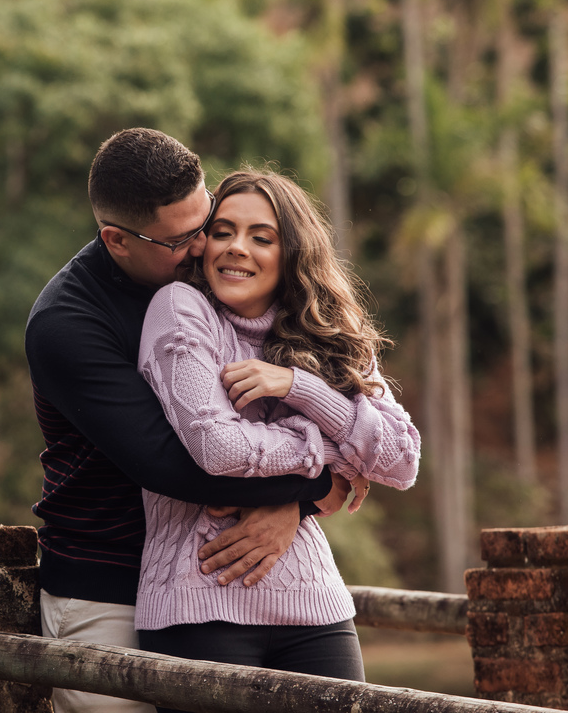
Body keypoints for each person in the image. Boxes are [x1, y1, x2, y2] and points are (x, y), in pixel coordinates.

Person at [26, 130, 339, 713]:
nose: (204, 248)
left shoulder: (208, 284)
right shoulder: (68, 325)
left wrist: (304, 492)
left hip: (220, 577)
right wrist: (317, 486)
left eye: (207, 222)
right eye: (181, 239)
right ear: (115, 239)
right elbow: (174, 464)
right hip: (109, 588)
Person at [134, 169, 420, 707]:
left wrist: (303, 390)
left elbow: (402, 460)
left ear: (292, 253)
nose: (236, 249)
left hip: (316, 604)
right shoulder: (180, 309)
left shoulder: (330, 330)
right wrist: (329, 463)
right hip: (201, 601)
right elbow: (219, 449)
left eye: (261, 237)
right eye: (223, 232)